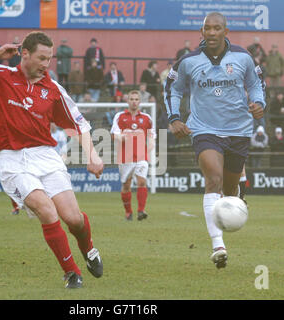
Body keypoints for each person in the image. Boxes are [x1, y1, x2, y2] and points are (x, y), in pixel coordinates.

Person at [0, 31, 104, 289]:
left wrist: (92, 155)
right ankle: (72, 273)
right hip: (13, 160)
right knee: (46, 210)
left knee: (73, 219)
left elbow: (76, 125)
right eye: (42, 58)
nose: (46, 64)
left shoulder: (53, 89)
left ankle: (89, 249)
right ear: (24, 54)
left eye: (50, 59)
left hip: (46, 156)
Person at [164, 12, 265, 269]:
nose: (211, 33)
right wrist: (175, 117)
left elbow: (256, 84)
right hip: (204, 129)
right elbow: (173, 89)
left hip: (239, 131)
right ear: (202, 31)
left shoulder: (243, 57)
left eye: (216, 28)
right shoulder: (188, 61)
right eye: (207, 28)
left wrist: (259, 104)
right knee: (213, 180)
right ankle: (218, 245)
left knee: (229, 191)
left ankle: (238, 193)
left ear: (225, 31)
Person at [110, 90, 156, 221]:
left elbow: (152, 136)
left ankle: (141, 211)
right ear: (127, 101)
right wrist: (121, 137)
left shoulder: (147, 118)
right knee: (126, 185)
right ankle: (128, 212)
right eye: (131, 99)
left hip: (141, 156)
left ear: (140, 101)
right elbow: (114, 134)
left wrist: (150, 147)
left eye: (136, 99)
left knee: (142, 181)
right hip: (125, 157)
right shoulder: (120, 116)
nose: (134, 101)